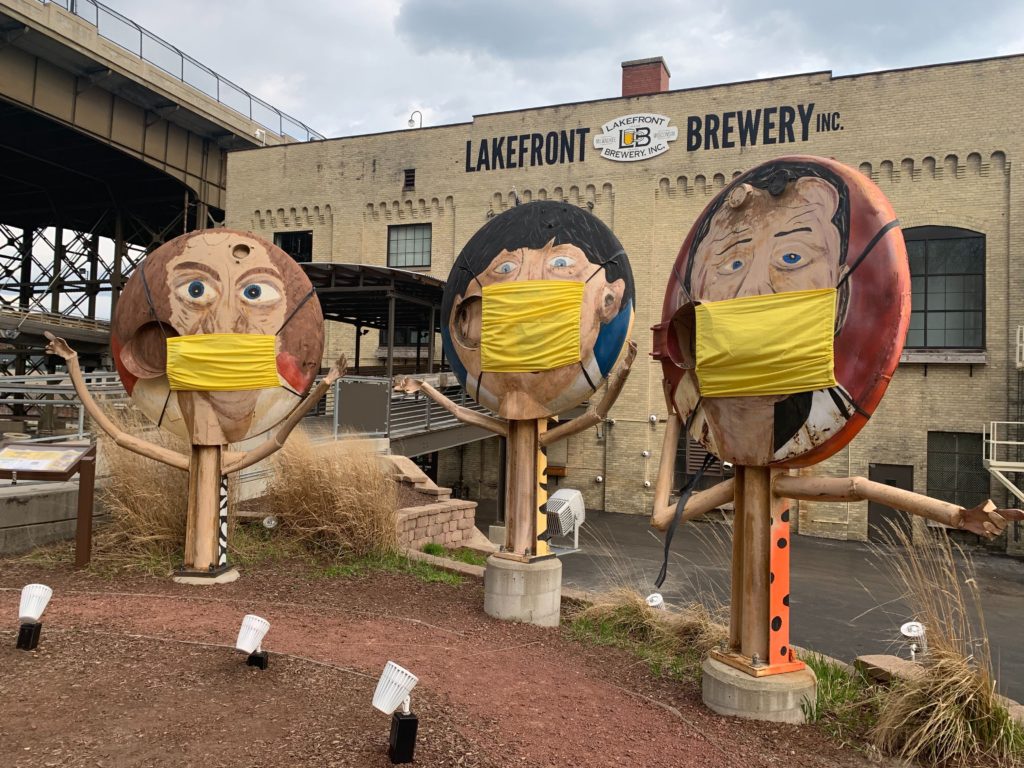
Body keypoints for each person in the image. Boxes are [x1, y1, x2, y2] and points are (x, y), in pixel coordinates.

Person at [441, 201, 634, 420]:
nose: (530, 279)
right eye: (506, 268)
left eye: (561, 264)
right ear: (463, 314)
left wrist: (625, 369)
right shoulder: (478, 381)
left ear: (609, 299)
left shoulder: (589, 370)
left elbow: (597, 414)